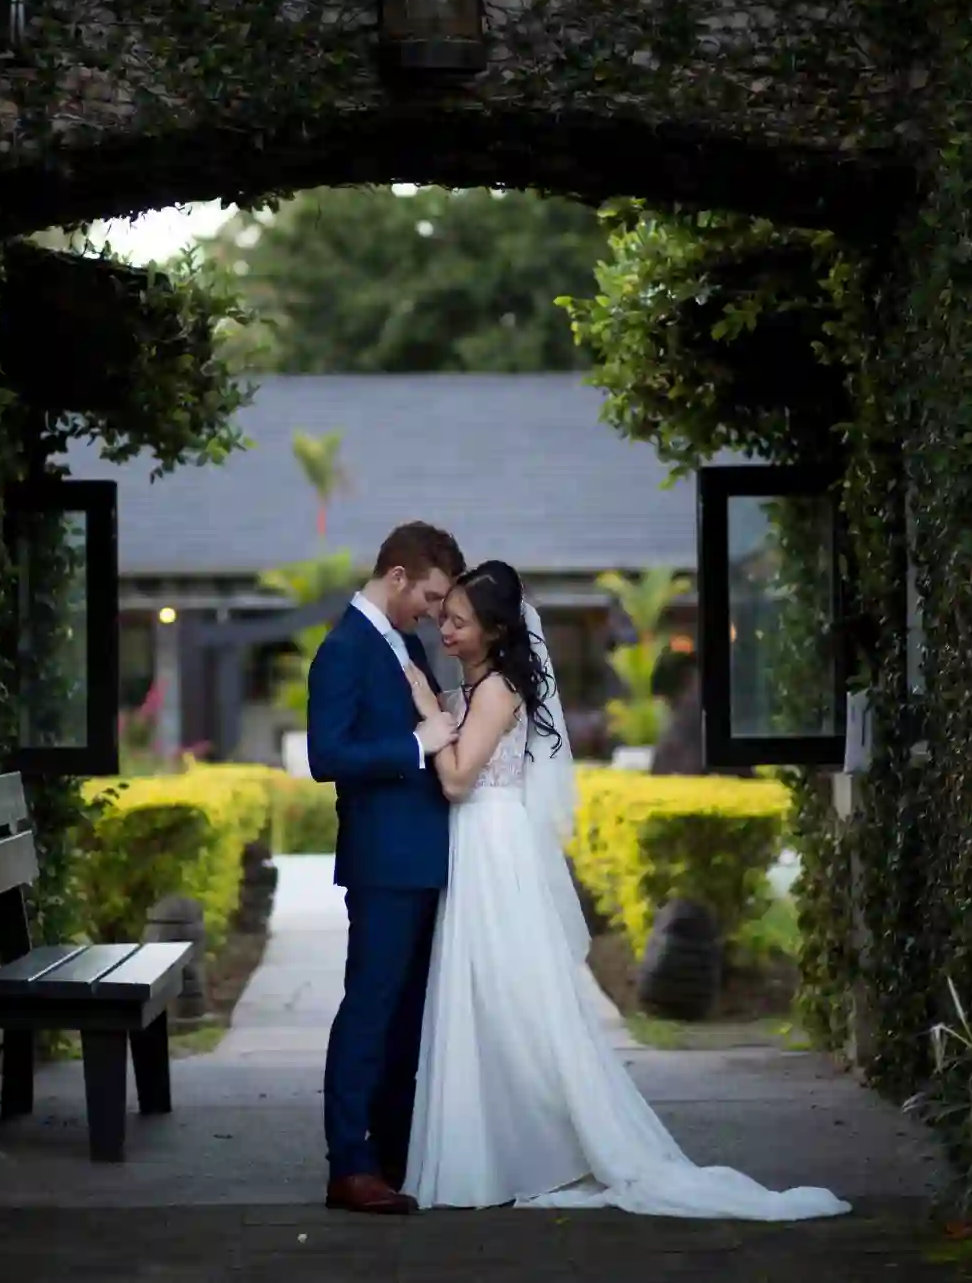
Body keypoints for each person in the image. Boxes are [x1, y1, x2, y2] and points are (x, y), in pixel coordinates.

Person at [396, 559, 853, 1220]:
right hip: (475, 845)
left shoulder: (496, 689)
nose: (446, 627)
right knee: (484, 997)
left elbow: (460, 779)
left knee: (512, 995)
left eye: (460, 620)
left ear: (495, 631)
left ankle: (533, 1144)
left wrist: (428, 723)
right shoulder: (473, 686)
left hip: (492, 843)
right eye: (447, 616)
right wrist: (441, 713)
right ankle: (494, 1146)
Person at [306, 521, 467, 1215]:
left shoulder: (400, 641)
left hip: (421, 857)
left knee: (407, 1019)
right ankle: (349, 1164)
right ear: (396, 575)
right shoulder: (344, 647)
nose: (433, 610)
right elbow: (325, 755)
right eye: (430, 595)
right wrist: (416, 741)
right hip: (382, 862)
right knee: (369, 1013)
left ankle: (397, 1158)